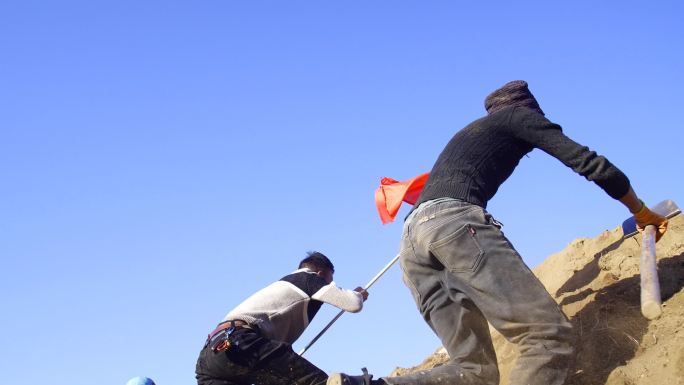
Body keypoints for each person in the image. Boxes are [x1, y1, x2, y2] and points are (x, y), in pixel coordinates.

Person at [332, 80, 669, 385]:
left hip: (411, 242)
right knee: (546, 337)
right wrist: (639, 210)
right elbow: (587, 162)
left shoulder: (471, 132)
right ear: (528, 109)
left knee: (474, 370)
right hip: (453, 224)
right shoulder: (518, 118)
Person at [196, 251, 369, 385]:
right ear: (320, 273)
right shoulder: (307, 278)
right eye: (328, 281)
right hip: (240, 341)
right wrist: (358, 294)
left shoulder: (285, 288)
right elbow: (352, 303)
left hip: (210, 358)